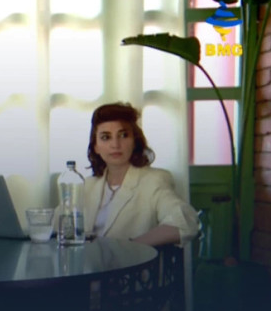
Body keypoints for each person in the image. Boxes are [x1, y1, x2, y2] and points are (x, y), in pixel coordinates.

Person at [82, 102, 198, 246]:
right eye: (106, 137)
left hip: (131, 260)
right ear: (96, 146)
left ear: (135, 141)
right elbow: (58, 227)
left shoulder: (154, 180)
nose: (115, 144)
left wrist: (132, 247)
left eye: (123, 135)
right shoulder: (87, 185)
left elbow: (186, 223)